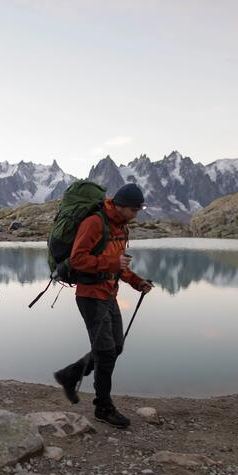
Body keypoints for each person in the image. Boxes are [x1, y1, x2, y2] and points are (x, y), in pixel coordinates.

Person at [53, 183, 153, 428]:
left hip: (109, 293)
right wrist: (112, 263)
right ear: (119, 206)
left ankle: (71, 374)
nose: (136, 214)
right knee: (106, 351)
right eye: (133, 209)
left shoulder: (121, 227)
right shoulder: (95, 223)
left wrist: (137, 281)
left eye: (139, 209)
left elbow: (119, 266)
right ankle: (103, 406)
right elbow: (77, 259)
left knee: (115, 347)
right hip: (90, 295)